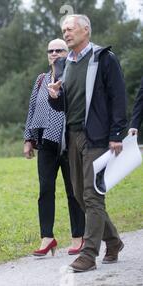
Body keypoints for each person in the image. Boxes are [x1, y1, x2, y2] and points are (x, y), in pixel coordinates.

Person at [47, 15, 127, 272]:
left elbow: (118, 97)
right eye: (63, 30)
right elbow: (63, 105)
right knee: (80, 196)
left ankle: (89, 254)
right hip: (72, 136)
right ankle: (113, 241)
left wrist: (117, 133)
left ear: (86, 30)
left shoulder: (103, 58)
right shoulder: (64, 64)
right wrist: (55, 96)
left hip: (98, 136)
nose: (66, 33)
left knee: (93, 196)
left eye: (70, 29)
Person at [23, 39, 85, 257]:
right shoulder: (41, 80)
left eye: (60, 50)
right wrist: (28, 139)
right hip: (45, 143)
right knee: (45, 189)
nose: (55, 53)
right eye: (51, 50)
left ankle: (79, 236)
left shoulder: (74, 76)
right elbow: (32, 109)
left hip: (69, 142)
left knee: (73, 191)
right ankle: (47, 237)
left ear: (67, 53)